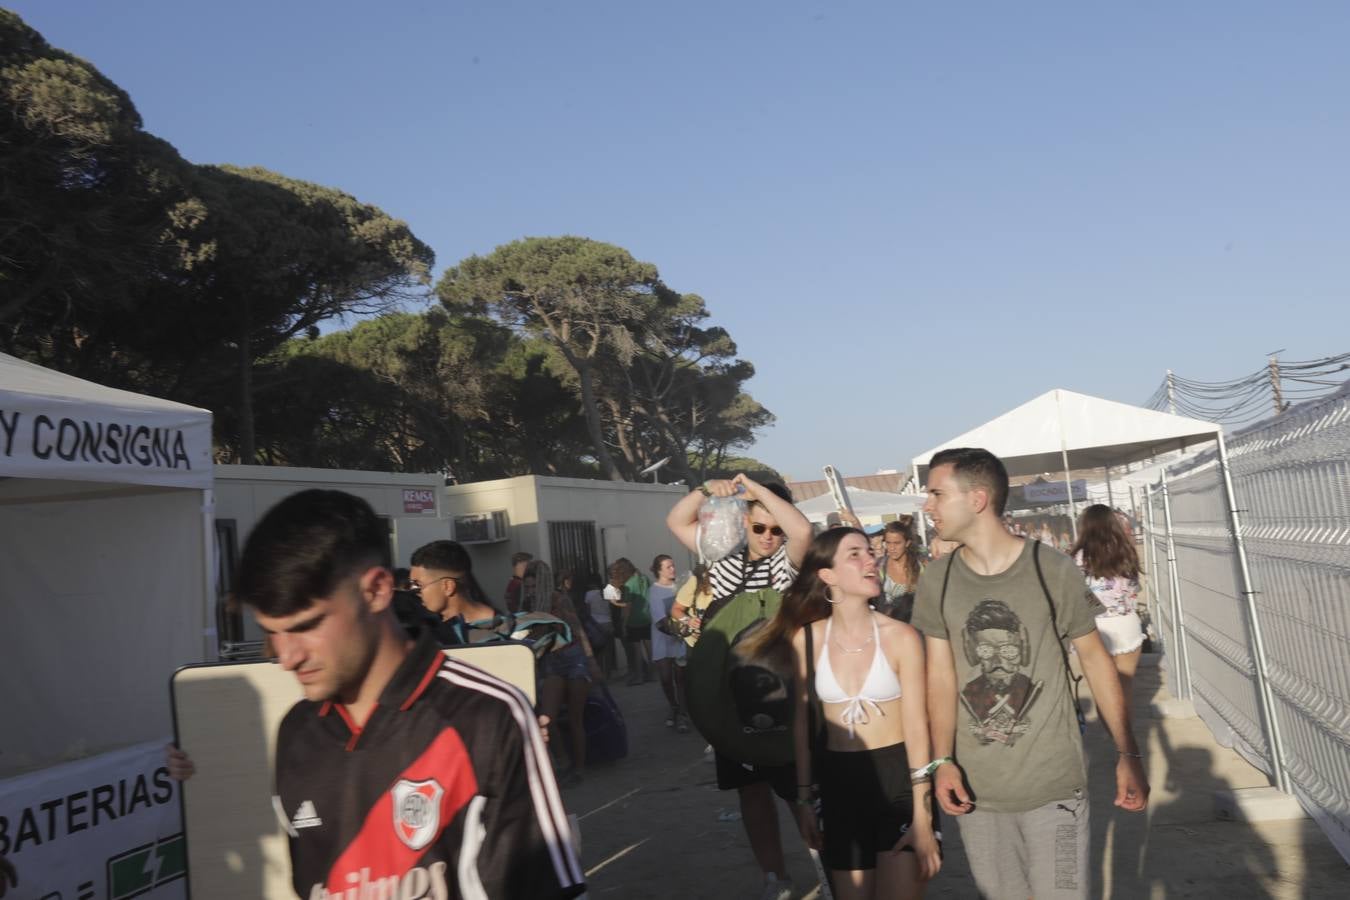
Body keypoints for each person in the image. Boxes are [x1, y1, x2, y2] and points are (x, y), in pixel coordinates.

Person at [236, 489, 585, 899]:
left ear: (377, 590)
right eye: (271, 634)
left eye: (307, 625)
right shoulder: (296, 732)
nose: (285, 658)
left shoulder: (488, 716)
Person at [911, 449, 1147, 900]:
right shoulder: (936, 580)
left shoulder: (1052, 569)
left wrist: (1127, 754)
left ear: (977, 499)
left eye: (937, 494)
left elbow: (1097, 662)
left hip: (1054, 787)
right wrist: (942, 762)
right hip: (977, 792)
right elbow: (940, 679)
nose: (929, 506)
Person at [766, 527, 941, 898]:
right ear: (827, 575)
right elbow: (801, 725)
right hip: (838, 784)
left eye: (869, 551)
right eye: (854, 554)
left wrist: (924, 817)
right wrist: (803, 799)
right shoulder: (807, 639)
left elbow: (917, 727)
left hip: (899, 783)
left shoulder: (901, 637)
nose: (870, 560)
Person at [666, 473, 813, 900]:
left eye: (776, 529)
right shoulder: (721, 556)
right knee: (751, 792)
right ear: (744, 523)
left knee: (800, 792)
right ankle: (775, 877)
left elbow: (803, 530)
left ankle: (827, 864)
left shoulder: (789, 562)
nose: (770, 537)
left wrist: (761, 493)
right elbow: (676, 521)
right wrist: (709, 490)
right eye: (760, 527)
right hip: (731, 696)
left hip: (786, 695)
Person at [523, 560, 601, 786]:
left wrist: (591, 662)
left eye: (533, 586)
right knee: (548, 719)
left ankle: (578, 769)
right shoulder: (526, 605)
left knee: (576, 718)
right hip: (550, 661)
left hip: (573, 658)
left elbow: (577, 630)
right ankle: (564, 763)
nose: (529, 591)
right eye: (527, 587)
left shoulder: (558, 599)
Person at [1070, 504, 1146, 703]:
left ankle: (1113, 733)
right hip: (1126, 623)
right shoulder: (1126, 551)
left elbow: (1075, 595)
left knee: (1103, 694)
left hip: (1093, 628)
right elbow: (1135, 589)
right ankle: (1124, 734)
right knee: (1125, 688)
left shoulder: (1077, 558)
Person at [408, 540, 498, 630]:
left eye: (419, 585)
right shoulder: (427, 630)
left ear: (448, 587)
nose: (415, 592)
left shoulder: (502, 631)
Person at [647, 554, 690, 732]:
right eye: (668, 567)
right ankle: (673, 706)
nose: (673, 569)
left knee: (681, 679)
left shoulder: (680, 587)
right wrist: (676, 631)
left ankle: (682, 713)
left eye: (673, 565)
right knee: (666, 678)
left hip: (680, 639)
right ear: (659, 570)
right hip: (663, 639)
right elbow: (660, 621)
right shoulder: (654, 590)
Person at [879, 516, 924, 623]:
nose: (892, 548)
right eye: (888, 543)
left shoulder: (921, 567)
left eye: (897, 543)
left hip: (917, 624)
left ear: (907, 543)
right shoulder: (881, 567)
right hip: (890, 626)